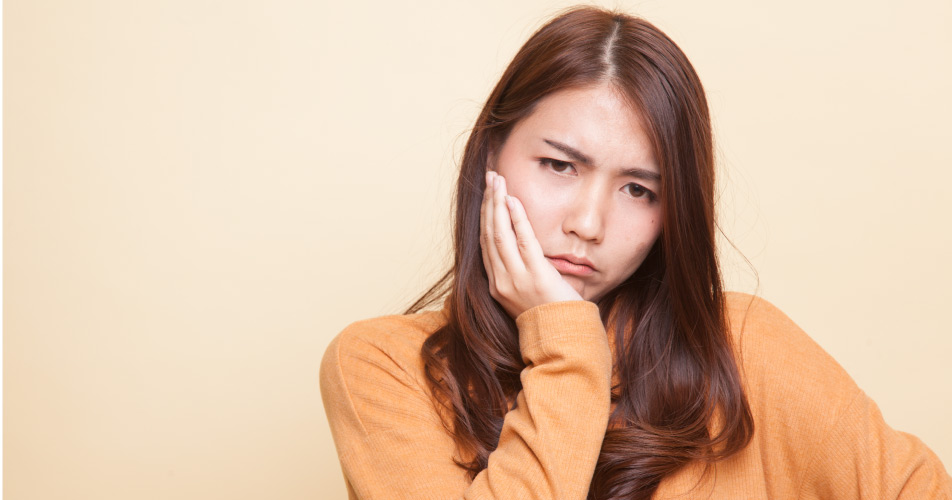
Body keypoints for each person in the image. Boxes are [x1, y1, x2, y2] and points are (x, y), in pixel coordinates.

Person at [320, 6, 951, 499]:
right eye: (560, 165)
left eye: (638, 189)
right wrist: (565, 344)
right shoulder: (385, 367)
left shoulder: (742, 348)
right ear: (490, 154)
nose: (589, 223)